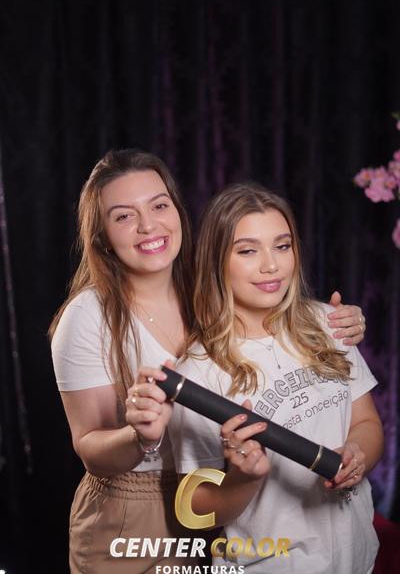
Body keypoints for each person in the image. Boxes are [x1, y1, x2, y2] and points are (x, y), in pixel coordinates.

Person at [50, 153, 368, 574]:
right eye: (124, 216)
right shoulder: (88, 316)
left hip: (230, 504)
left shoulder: (206, 284)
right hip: (136, 509)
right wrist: (138, 436)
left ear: (178, 210)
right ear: (102, 235)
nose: (148, 226)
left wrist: (335, 323)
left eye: (159, 205)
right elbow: (89, 447)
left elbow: (278, 321)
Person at [162, 183, 383, 574]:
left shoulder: (329, 324)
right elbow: (196, 508)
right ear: (216, 261)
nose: (271, 265)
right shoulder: (199, 371)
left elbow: (367, 422)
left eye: (282, 246)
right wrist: (244, 479)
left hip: (357, 557)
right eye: (248, 251)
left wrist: (357, 455)